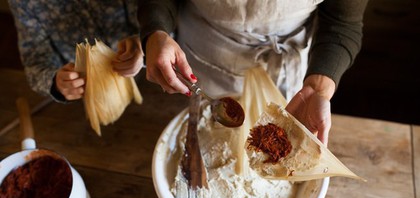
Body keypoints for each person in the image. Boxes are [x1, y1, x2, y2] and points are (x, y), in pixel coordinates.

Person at [137, 0, 369, 146]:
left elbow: (342, 23)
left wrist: (318, 89)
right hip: (205, 56)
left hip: (289, 72)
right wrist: (156, 30)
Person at [8, 0, 144, 102]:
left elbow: (158, 15)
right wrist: (56, 83)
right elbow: (36, 62)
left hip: (149, 77)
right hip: (85, 95)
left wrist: (146, 43)